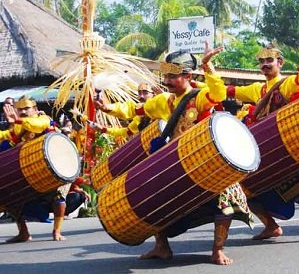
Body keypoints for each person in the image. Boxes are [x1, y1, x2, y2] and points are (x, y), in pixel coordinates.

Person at [95, 45, 250, 265]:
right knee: (152, 196)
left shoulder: (200, 97)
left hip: (208, 162)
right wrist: (109, 108)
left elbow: (219, 93)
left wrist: (207, 66)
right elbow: (137, 109)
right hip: (179, 164)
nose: (166, 81)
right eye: (165, 75)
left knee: (226, 200)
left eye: (172, 76)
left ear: (187, 76)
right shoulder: (164, 100)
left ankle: (217, 250)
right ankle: (161, 247)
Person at [223, 44, 299, 243]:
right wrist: (200, 81)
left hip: (289, 147)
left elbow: (298, 82)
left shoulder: (285, 84)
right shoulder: (256, 89)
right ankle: (271, 226)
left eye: (269, 61)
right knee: (249, 191)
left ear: (280, 63)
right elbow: (228, 91)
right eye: (261, 62)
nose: (265, 65)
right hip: (264, 150)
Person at [0, 96, 74, 242]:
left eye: (26, 109)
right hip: (30, 170)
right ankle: (24, 233)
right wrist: (14, 126)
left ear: (34, 109)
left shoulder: (43, 119)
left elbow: (36, 125)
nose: (22, 112)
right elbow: (6, 136)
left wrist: (18, 120)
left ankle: (57, 231)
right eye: (19, 109)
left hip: (56, 165)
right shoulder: (18, 125)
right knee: (11, 199)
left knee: (58, 197)